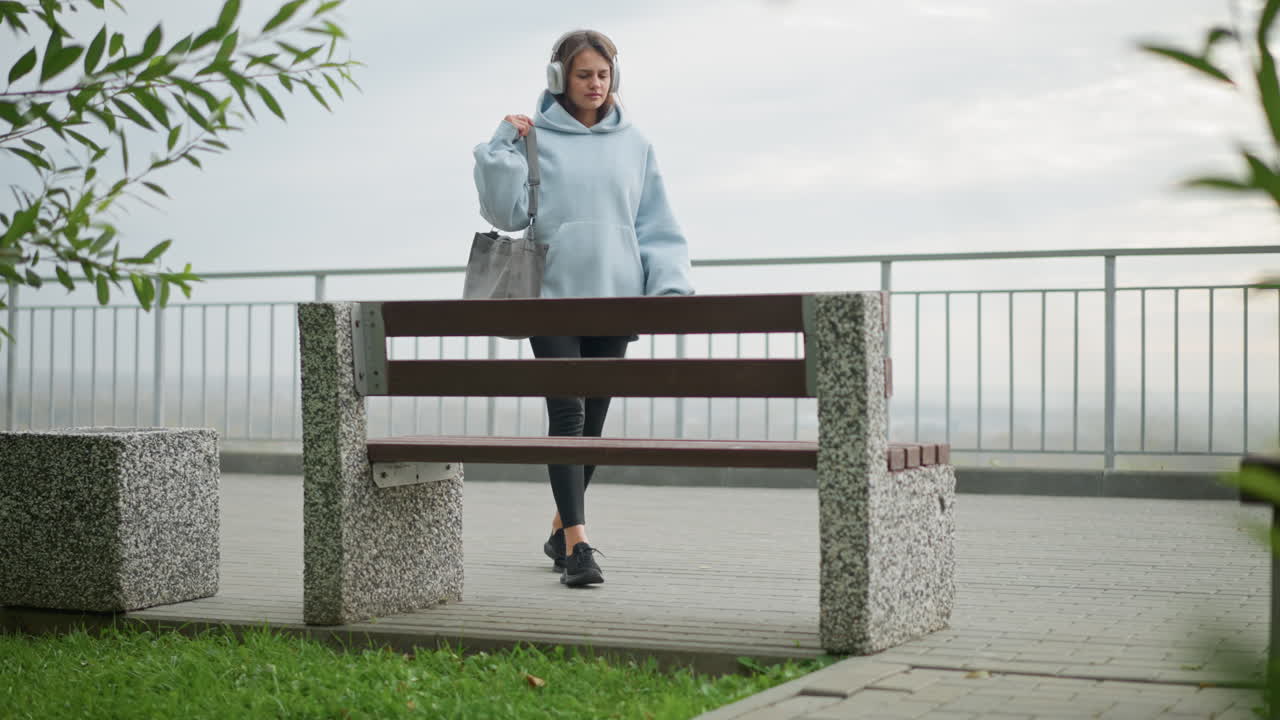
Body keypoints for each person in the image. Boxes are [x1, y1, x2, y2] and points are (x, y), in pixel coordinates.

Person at [472, 29, 694, 588]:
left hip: (614, 299)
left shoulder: (635, 144)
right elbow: (507, 214)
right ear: (558, 79)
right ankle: (579, 547)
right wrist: (501, 144)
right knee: (567, 416)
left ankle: (559, 529)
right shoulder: (533, 139)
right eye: (583, 74)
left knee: (592, 423)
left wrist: (667, 288)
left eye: (603, 74)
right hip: (549, 297)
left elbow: (657, 225)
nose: (595, 84)